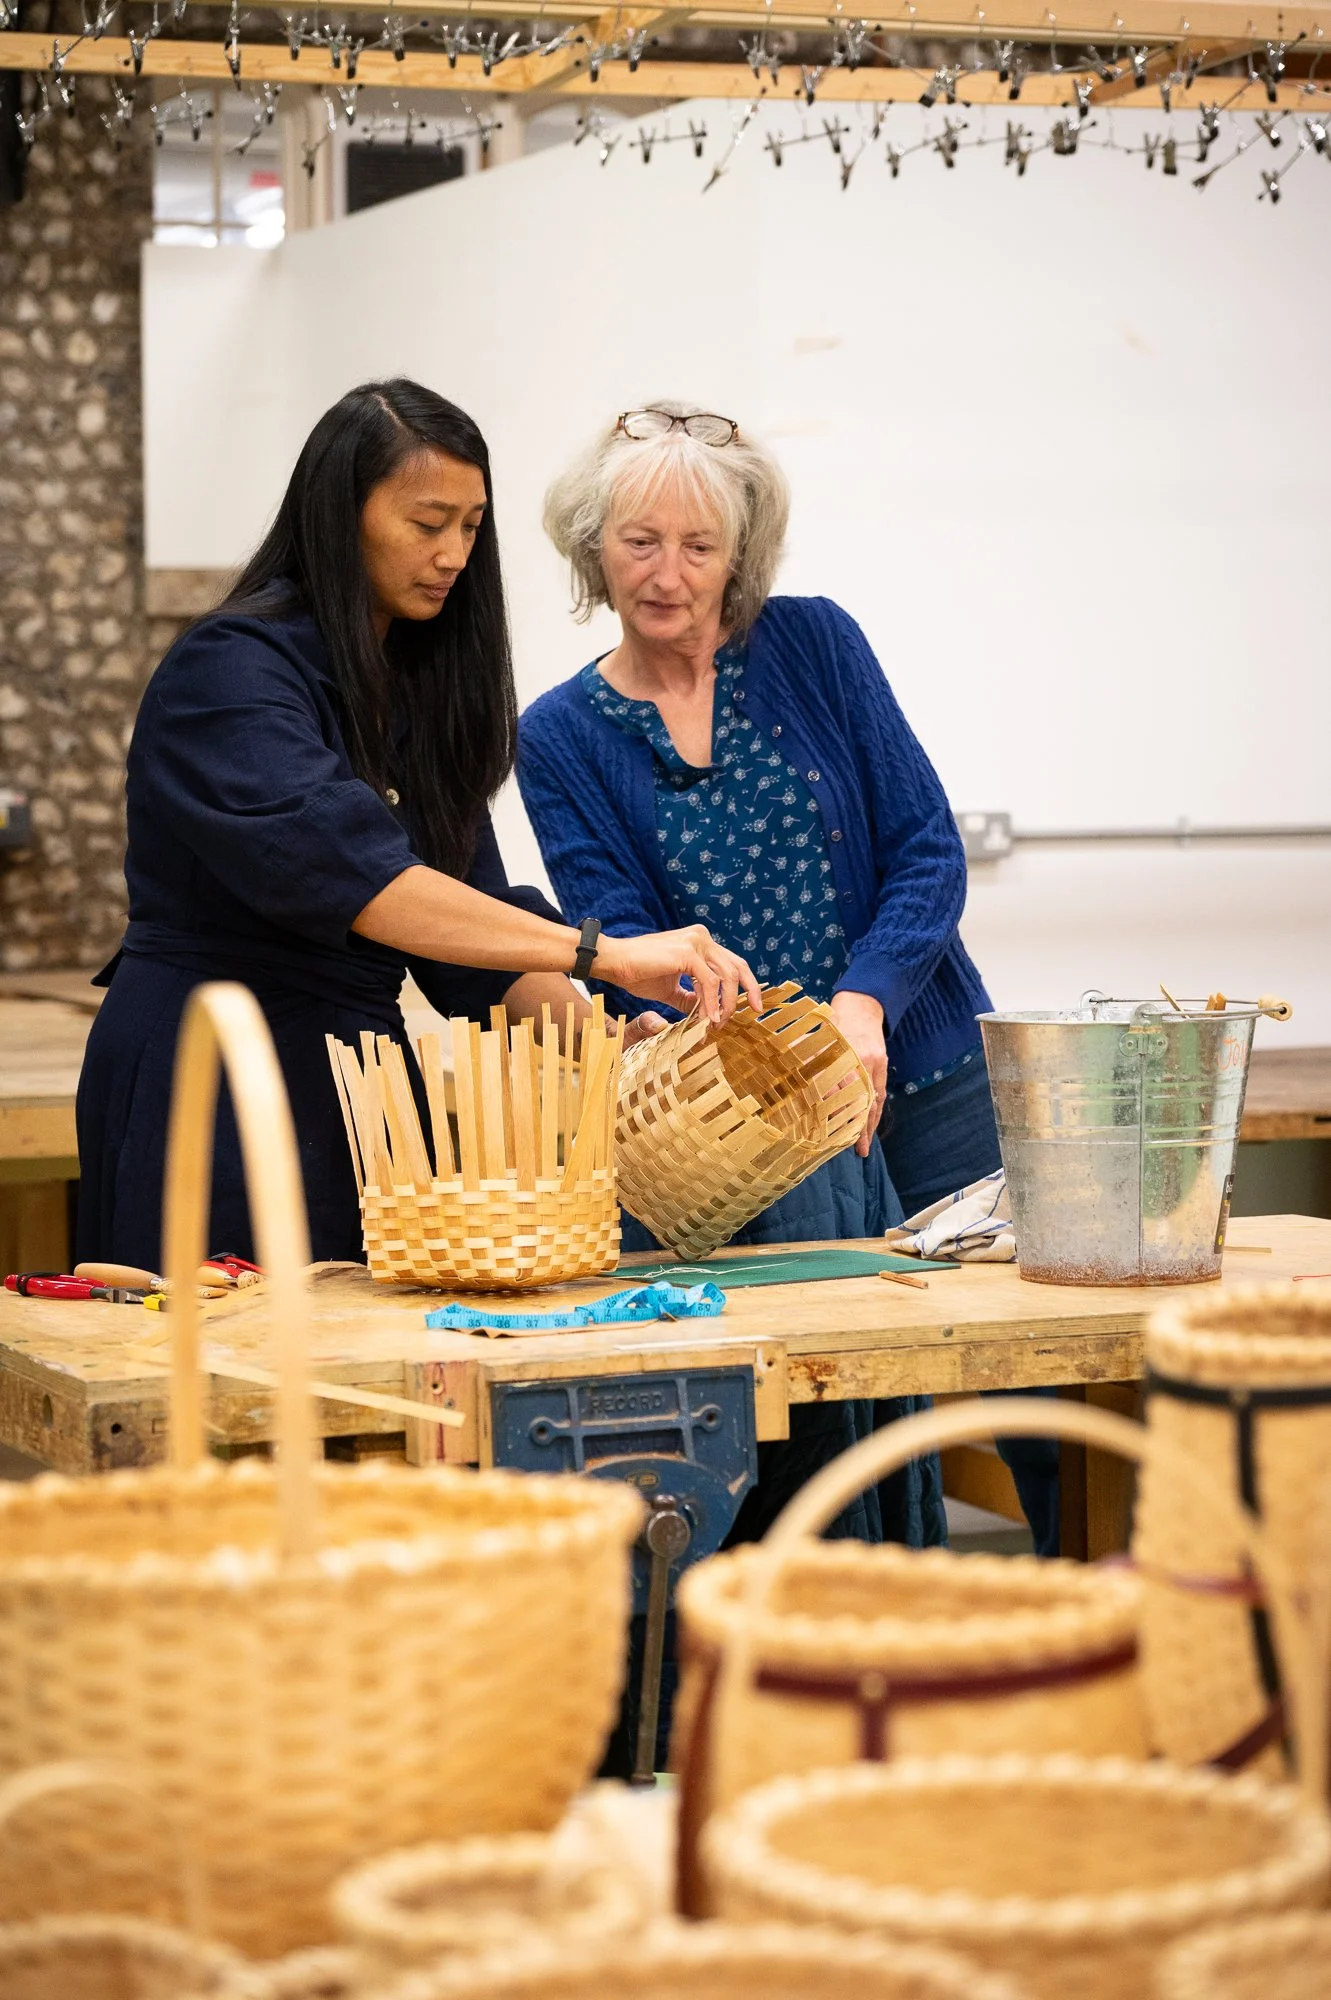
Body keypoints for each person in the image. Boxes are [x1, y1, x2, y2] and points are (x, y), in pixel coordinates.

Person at [517, 402, 1058, 1557]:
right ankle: (843, 1637)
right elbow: (619, 950)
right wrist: (770, 1060)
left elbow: (924, 848)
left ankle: (1110, 1610)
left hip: (926, 1069)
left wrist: (862, 1000)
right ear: (590, 548)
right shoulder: (559, 733)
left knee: (1038, 1384)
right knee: (813, 1409)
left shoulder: (815, 644)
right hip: (753, 1137)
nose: (668, 574)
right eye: (638, 541)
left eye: (698, 546)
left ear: (738, 554)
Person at [76, 381, 760, 1271]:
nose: (452, 555)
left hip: (355, 1090)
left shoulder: (415, 690)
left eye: (471, 528)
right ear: (338, 516)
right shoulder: (230, 672)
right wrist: (604, 954)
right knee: (212, 1376)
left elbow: (467, 925)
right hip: (207, 1074)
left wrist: (601, 1044)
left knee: (343, 1381)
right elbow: (367, 885)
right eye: (426, 523)